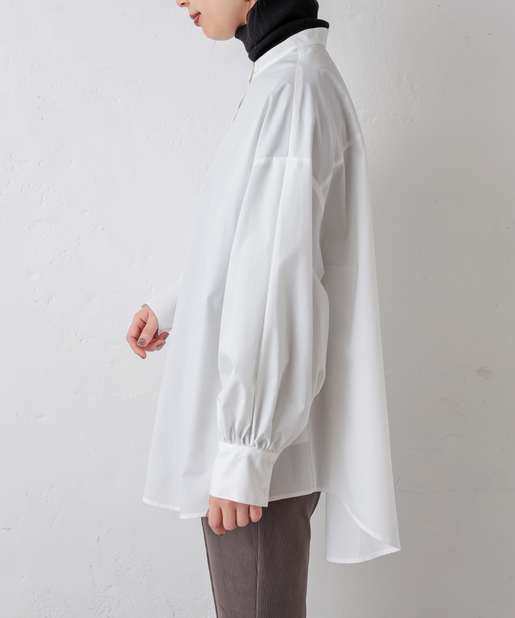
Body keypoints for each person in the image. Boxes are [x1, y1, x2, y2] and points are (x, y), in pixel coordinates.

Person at [126, 0, 401, 615]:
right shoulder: (285, 78)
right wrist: (177, 304)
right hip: (255, 436)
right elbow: (255, 242)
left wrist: (246, 450)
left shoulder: (293, 89)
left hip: (258, 447)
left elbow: (277, 278)